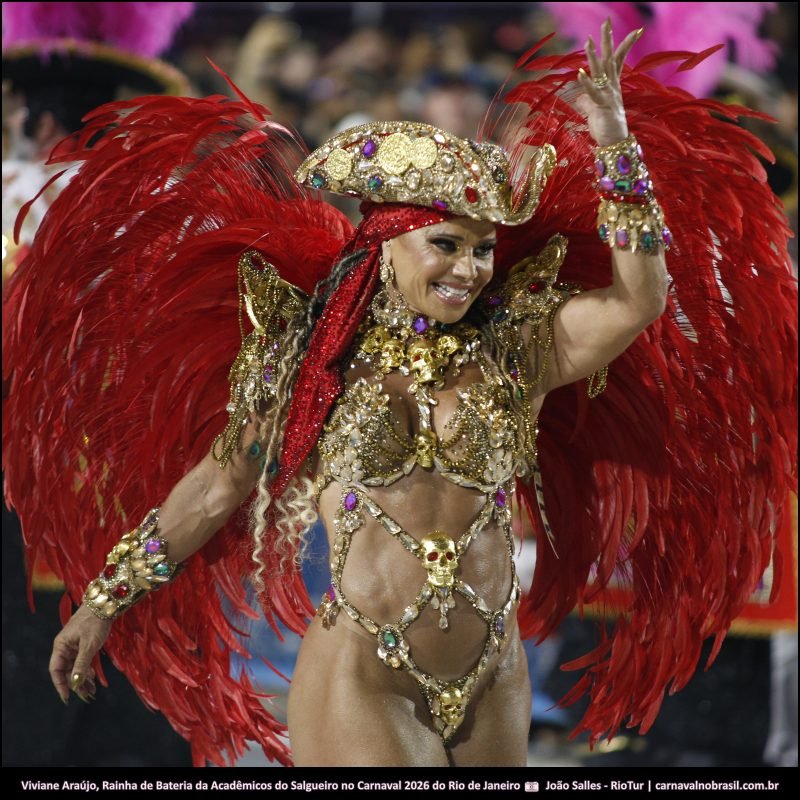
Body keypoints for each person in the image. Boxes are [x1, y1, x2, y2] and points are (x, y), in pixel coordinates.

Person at [3, 22, 796, 767]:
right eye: (445, 245)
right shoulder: (309, 357)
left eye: (483, 249)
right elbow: (217, 486)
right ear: (384, 245)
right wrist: (104, 600)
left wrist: (615, 144)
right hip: (363, 673)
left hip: (495, 673)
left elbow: (640, 299)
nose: (468, 269)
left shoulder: (517, 346)